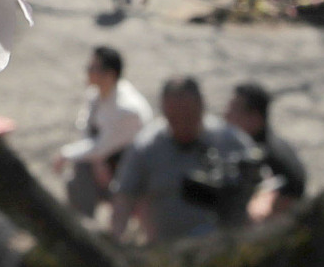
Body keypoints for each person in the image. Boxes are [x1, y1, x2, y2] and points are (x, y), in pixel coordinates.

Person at [110, 77, 258, 244]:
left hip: (223, 248)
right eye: (173, 118)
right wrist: (115, 242)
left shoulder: (230, 141)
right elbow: (123, 198)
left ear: (201, 107)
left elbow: (264, 188)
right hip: (165, 251)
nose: (181, 125)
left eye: (188, 117)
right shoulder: (146, 148)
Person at [53, 46, 152, 218]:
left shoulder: (127, 110)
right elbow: (85, 127)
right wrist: (97, 159)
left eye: (93, 68)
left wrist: (66, 154)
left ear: (110, 74)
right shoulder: (96, 94)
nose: (88, 72)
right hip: (108, 162)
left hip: (132, 175)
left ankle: (84, 226)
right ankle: (82, 222)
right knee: (78, 172)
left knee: (81, 170)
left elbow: (101, 147)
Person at [224, 82, 306, 221]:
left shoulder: (263, 156)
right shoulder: (270, 141)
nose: (226, 116)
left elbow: (269, 205)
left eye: (234, 110)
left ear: (255, 119)